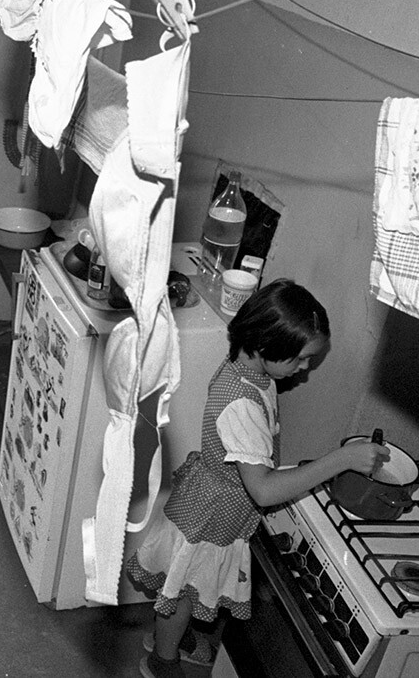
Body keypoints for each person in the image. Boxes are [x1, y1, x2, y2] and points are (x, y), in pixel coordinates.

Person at [125, 279, 387, 678]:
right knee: (179, 594)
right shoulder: (241, 404)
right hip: (211, 516)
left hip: (212, 501)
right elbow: (263, 490)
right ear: (266, 347)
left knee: (186, 585)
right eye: (302, 360)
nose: (305, 370)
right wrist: (343, 459)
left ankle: (171, 638)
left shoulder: (248, 372)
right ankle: (163, 659)